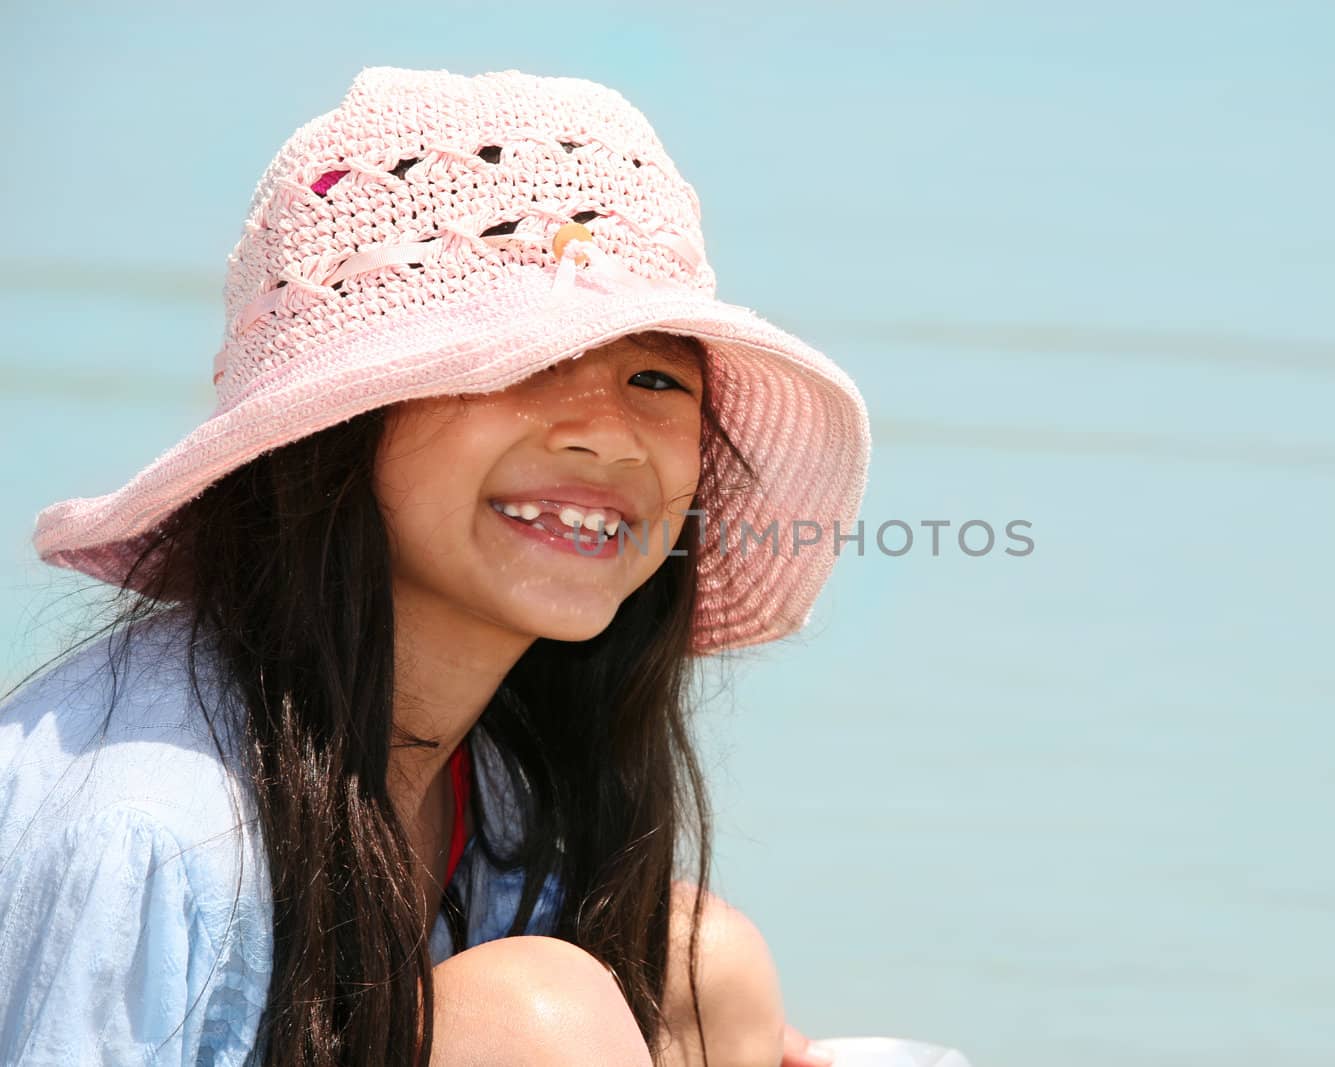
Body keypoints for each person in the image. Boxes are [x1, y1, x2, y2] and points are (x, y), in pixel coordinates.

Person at [0, 66, 870, 1067]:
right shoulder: (154, 827)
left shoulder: (489, 778)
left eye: (653, 376)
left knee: (698, 971)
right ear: (335, 428)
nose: (606, 438)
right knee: (536, 1018)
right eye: (518, 365)